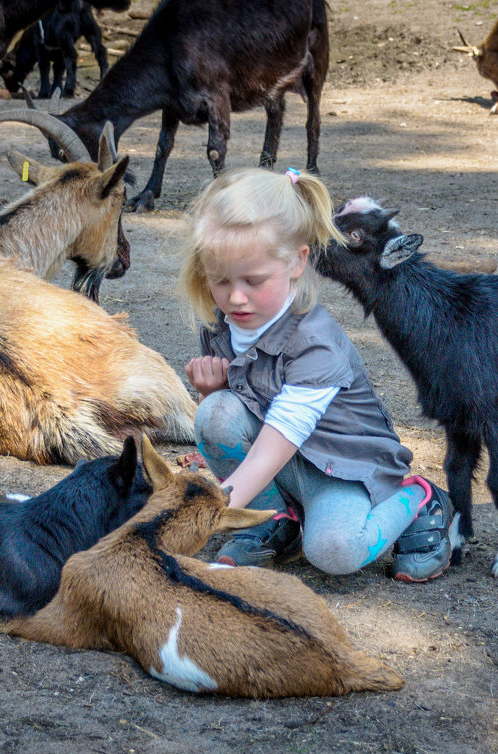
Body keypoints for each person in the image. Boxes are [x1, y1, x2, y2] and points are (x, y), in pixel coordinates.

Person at [178, 166, 454, 582]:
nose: (235, 297)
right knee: (215, 412)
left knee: (334, 551)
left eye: (254, 280)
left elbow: (272, 448)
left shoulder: (315, 345)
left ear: (297, 262)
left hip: (342, 470)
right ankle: (272, 520)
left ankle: (418, 497)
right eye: (219, 280)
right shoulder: (227, 323)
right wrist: (213, 391)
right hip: (290, 459)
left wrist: (199, 520)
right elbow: (227, 426)